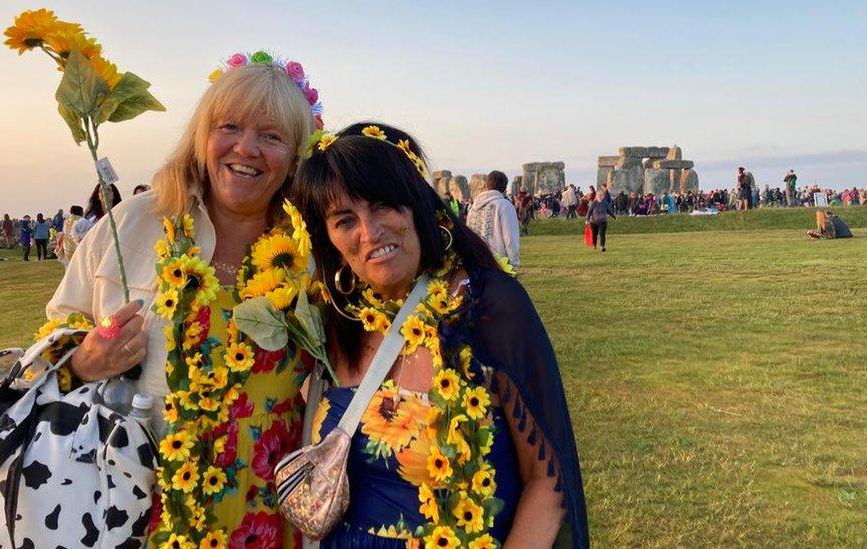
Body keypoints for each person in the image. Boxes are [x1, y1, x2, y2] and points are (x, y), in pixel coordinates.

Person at [44, 51, 321, 544]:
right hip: (126, 498)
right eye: (229, 126)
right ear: (202, 136)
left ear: (296, 153)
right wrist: (84, 361)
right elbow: (54, 335)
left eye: (272, 136)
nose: (246, 147)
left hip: (263, 509)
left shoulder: (315, 249)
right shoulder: (130, 223)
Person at [291, 122, 588, 548]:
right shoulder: (335, 321)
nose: (369, 232)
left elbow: (548, 478)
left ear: (417, 204)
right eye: (344, 220)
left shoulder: (488, 306)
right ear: (328, 240)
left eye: (382, 205)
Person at [466, 169, 521, 270]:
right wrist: (513, 265)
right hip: (498, 265)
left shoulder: (473, 209)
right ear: (505, 188)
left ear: (487, 186)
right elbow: (510, 238)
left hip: (476, 264)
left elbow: (468, 237)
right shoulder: (505, 206)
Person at [587, 188, 616, 252]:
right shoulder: (593, 203)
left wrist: (613, 216)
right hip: (594, 221)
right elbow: (589, 211)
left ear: (603, 196)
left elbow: (608, 210)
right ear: (596, 196)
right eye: (598, 195)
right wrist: (587, 219)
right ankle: (594, 245)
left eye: (601, 195)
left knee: (602, 234)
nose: (600, 196)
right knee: (594, 234)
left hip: (603, 221)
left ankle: (602, 246)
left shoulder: (605, 202)